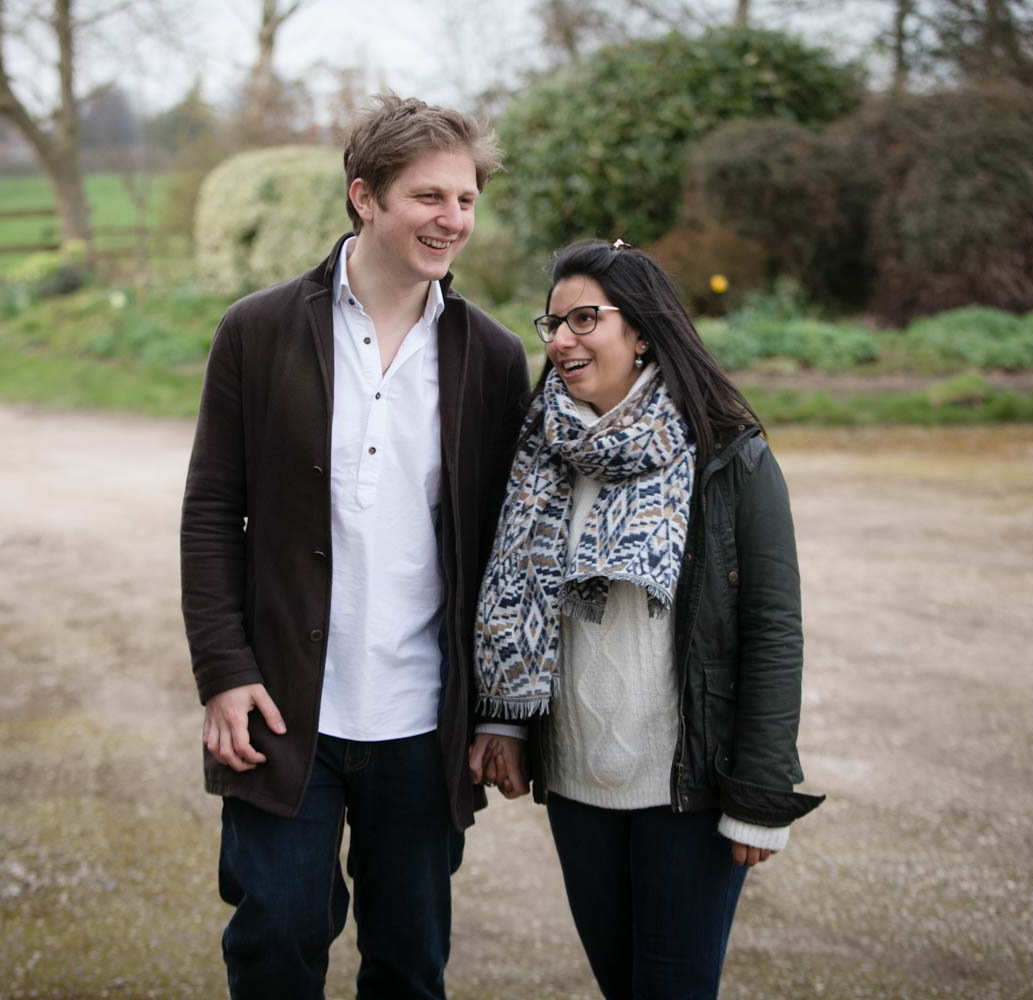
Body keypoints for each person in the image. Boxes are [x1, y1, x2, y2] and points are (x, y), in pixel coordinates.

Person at [180, 94, 530, 1000]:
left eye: (465, 199)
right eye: (428, 197)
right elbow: (215, 508)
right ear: (364, 196)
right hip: (286, 712)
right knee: (276, 948)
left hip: (424, 722)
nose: (452, 219)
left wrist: (499, 711)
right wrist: (222, 668)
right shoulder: (256, 332)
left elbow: (506, 550)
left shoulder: (490, 357)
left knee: (411, 965)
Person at [468, 239, 823, 999]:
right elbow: (516, 598)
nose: (562, 340)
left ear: (644, 332)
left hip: (686, 789)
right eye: (553, 322)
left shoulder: (729, 456)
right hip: (575, 781)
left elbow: (772, 629)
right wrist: (505, 720)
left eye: (585, 318)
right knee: (619, 983)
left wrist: (759, 798)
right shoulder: (536, 450)